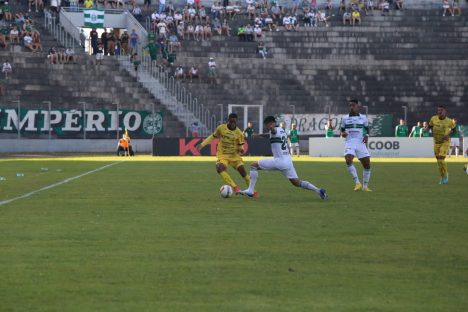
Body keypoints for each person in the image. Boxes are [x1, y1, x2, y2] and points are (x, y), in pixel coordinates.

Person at [240, 116, 328, 199]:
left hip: (279, 161)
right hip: (288, 161)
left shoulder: (274, 130)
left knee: (253, 165)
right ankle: (319, 191)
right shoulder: (282, 130)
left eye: (267, 125)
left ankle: (250, 190)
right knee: (296, 182)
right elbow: (272, 134)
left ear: (271, 123)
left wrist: (271, 128)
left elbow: (273, 131)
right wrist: (260, 135)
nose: (266, 127)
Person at [196, 113, 250, 194]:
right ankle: (235, 187)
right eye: (231, 121)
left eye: (234, 122)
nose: (232, 123)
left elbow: (240, 145)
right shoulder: (221, 128)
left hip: (234, 156)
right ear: (228, 120)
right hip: (223, 155)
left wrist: (241, 149)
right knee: (219, 169)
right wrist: (202, 144)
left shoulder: (239, 133)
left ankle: (252, 190)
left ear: (236, 122)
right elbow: (212, 136)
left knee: (243, 173)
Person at [341, 99, 372, 192]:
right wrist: (343, 134)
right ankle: (357, 183)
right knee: (348, 159)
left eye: (353, 105)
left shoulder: (363, 118)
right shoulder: (344, 118)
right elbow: (342, 130)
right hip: (350, 141)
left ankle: (365, 186)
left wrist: (366, 136)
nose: (351, 107)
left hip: (360, 142)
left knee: (367, 164)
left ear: (357, 106)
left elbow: (367, 129)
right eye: (350, 105)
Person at [428, 105, 456, 184]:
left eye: (441, 110)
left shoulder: (449, 121)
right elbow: (430, 126)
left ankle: (446, 174)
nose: (439, 112)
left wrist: (448, 135)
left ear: (445, 111)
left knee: (441, 159)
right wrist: (426, 129)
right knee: (438, 162)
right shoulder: (433, 118)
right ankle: (442, 177)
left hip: (445, 142)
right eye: (438, 110)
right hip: (436, 142)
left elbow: (455, 131)